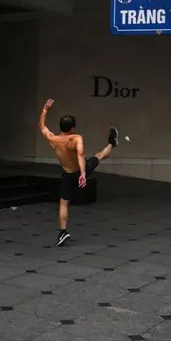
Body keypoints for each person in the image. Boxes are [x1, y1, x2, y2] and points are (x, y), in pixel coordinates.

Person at [38, 98, 119, 246]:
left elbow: (42, 127)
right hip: (81, 170)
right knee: (99, 155)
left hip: (68, 175)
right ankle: (112, 143)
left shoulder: (53, 139)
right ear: (72, 128)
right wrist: (83, 174)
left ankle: (63, 231)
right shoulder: (76, 138)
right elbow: (80, 155)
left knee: (63, 204)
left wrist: (45, 110)